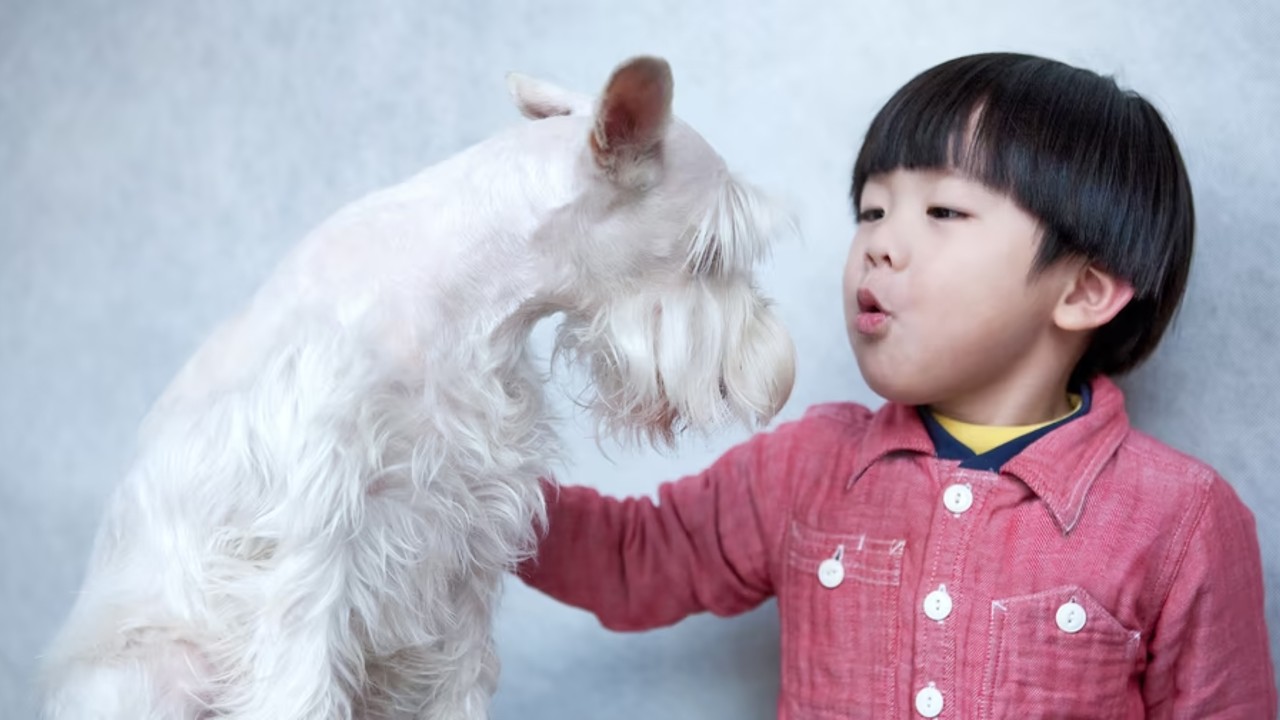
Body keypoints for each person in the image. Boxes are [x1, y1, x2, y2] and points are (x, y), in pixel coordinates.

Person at [516, 52, 1278, 718]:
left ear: (1081, 291)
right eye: (872, 209)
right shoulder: (808, 467)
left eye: (943, 209)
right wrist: (462, 486)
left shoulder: (1182, 520)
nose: (879, 243)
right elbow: (630, 558)